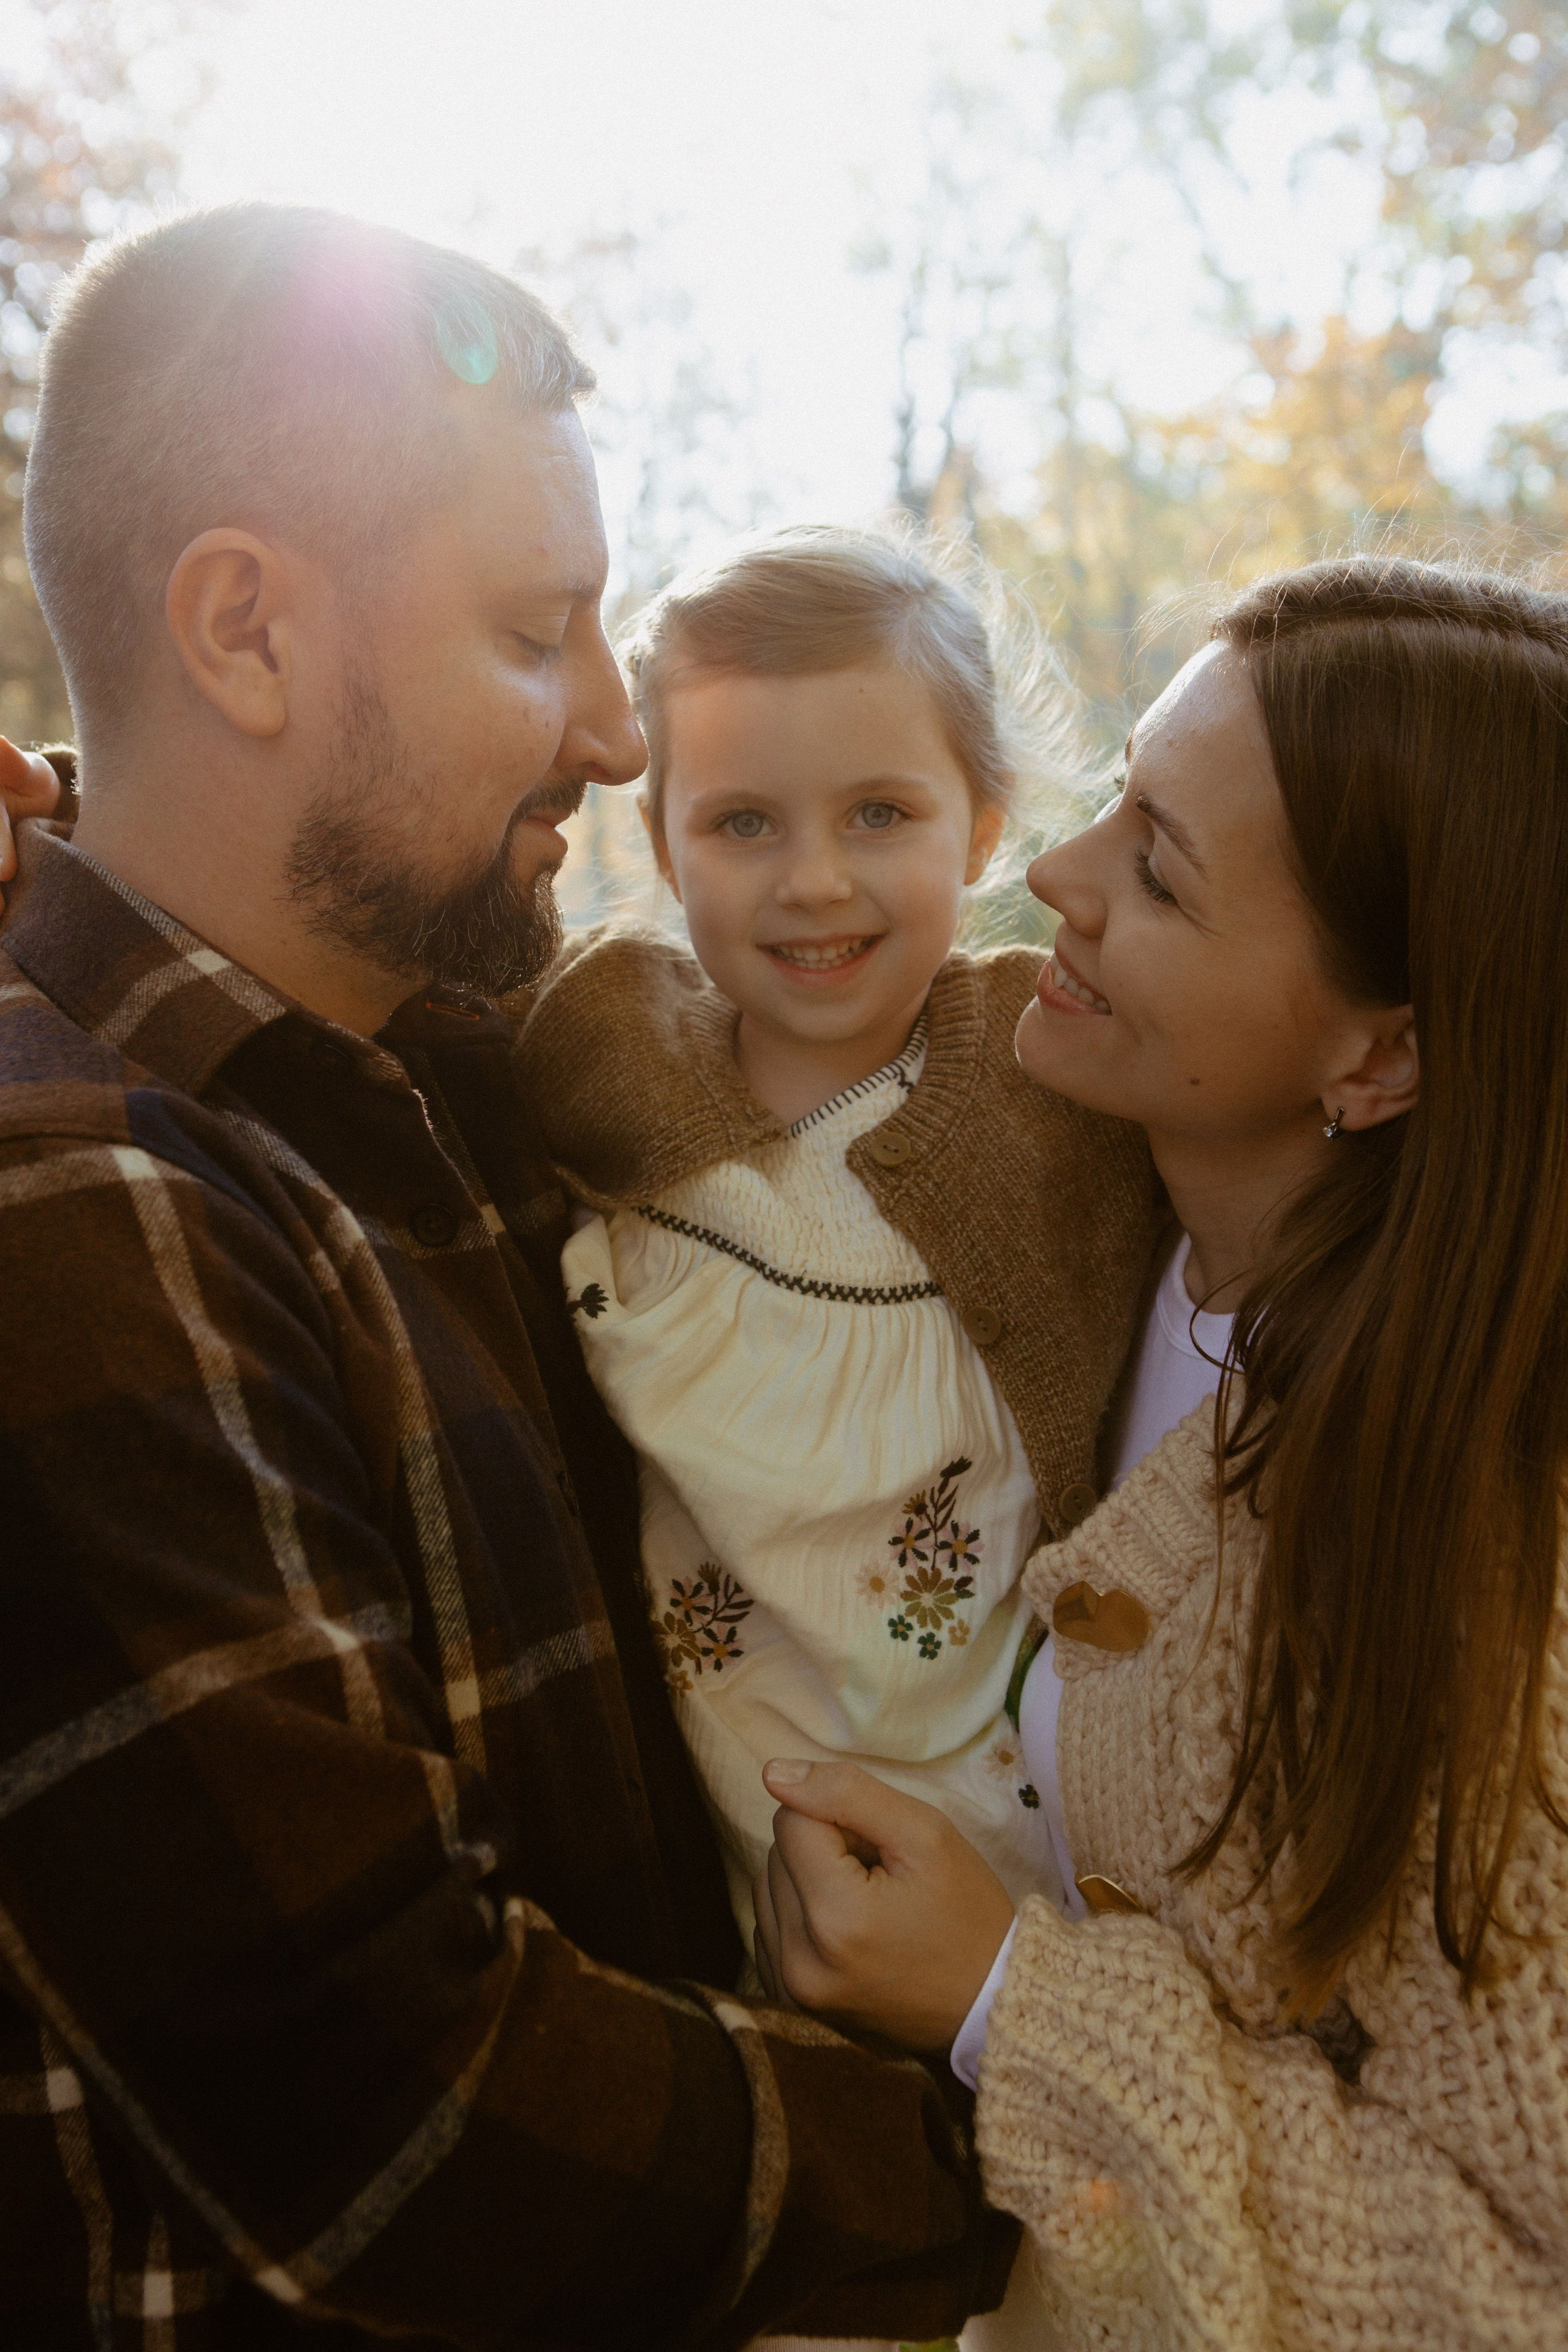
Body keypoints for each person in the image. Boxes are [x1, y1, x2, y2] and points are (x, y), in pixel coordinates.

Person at [0, 203, 1017, 2349]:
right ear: (249, 635)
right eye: (538, 632)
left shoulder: (445, 1068)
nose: (619, 740)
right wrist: (1066, 2115)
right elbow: (409, 2122)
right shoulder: (79, 1205)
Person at [753, 558, 1568, 2350]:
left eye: (1162, 867)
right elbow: (686, 1043)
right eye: (1120, 787)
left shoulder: (1493, 1572)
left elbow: (1521, 2288)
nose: (1058, 874)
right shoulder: (1066, 1187)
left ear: (1386, 1051)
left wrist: (1005, 2004)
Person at [511, 529, 1158, 1974]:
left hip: (998, 1805)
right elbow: (347, 978)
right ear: (661, 840)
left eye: (878, 813)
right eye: (742, 824)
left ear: (981, 829)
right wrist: (60, 809)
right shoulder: (602, 1040)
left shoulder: (1050, 1071)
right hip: (704, 1811)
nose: (812, 882)